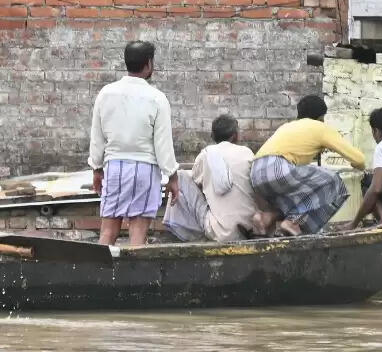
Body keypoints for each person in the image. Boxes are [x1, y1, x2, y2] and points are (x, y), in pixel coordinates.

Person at [88, 40, 178, 247]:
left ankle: (99, 276)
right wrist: (172, 175)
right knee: (137, 237)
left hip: (115, 167)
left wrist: (96, 169)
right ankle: (135, 278)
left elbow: (97, 136)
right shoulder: (157, 98)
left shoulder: (106, 94)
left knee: (108, 232)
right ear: (149, 64)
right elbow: (163, 143)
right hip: (145, 170)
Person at [249, 94, 364, 236]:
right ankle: (294, 222)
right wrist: (358, 166)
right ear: (321, 117)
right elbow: (359, 160)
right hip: (278, 168)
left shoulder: (287, 126)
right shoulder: (320, 127)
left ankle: (265, 218)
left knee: (296, 200)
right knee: (333, 181)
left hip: (256, 173)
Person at [186, 114, 264, 242]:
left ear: (213, 136)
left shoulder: (206, 154)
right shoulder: (247, 152)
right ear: (235, 135)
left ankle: (185, 234)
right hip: (250, 227)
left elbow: (195, 181)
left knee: (181, 177)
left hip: (221, 232)